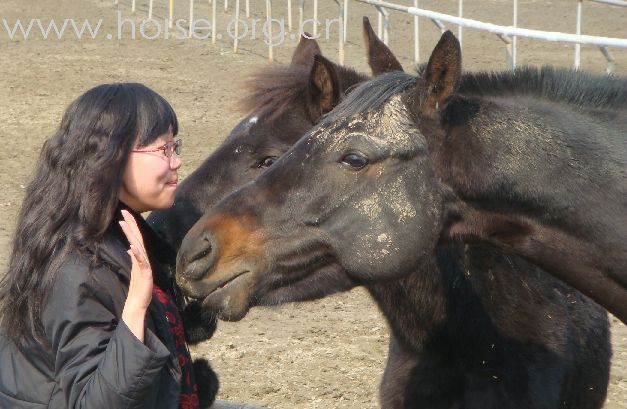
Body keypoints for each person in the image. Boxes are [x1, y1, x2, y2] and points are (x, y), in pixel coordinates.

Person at [0, 83, 218, 409]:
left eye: (176, 146)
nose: (177, 161)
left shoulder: (115, 233)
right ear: (112, 157)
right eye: (164, 149)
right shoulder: (77, 267)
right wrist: (136, 308)